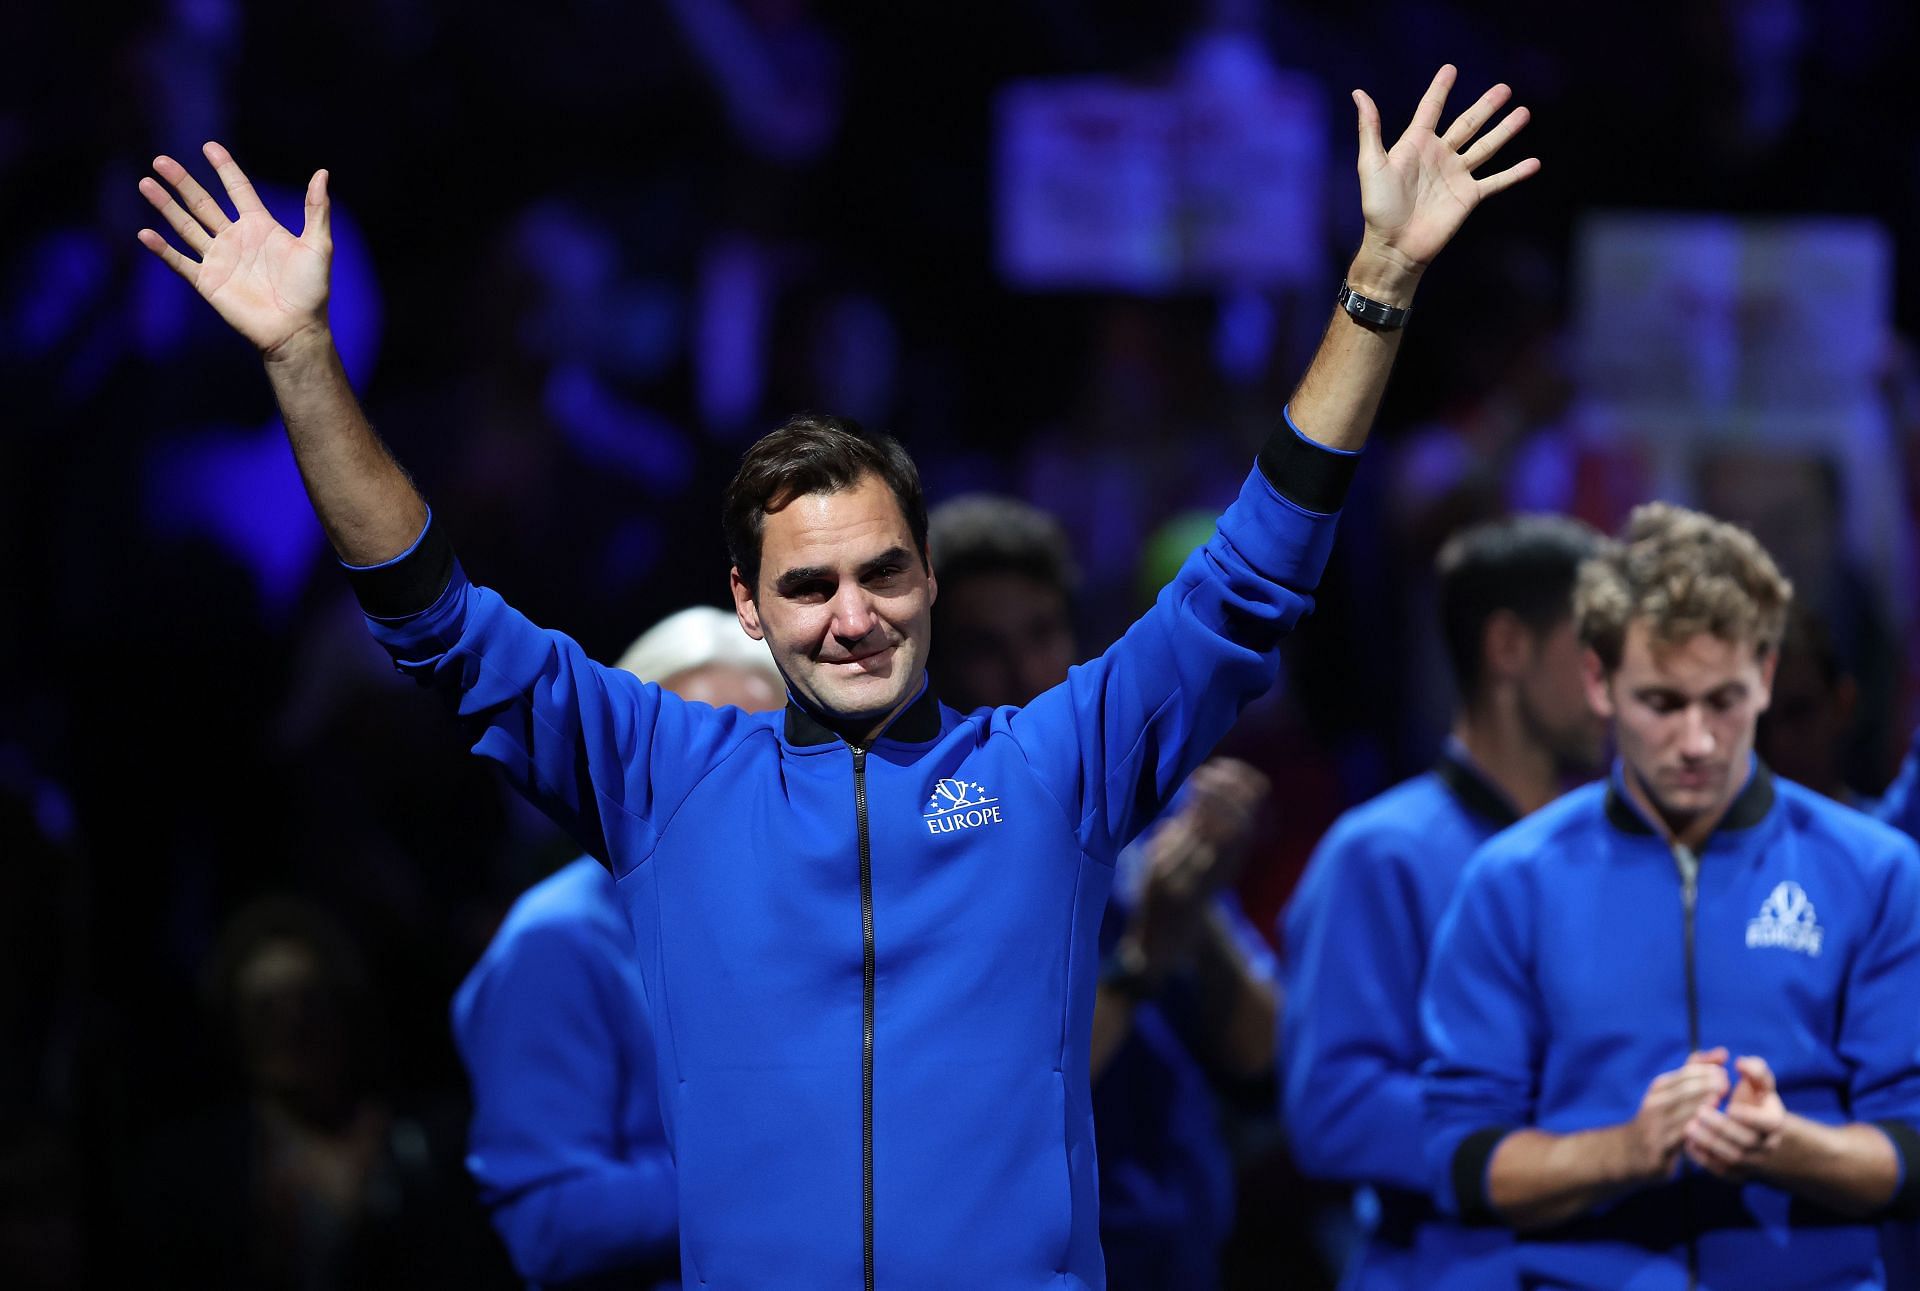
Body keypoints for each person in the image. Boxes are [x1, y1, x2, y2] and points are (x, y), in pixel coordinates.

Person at [136, 64, 1537, 1287]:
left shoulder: (1051, 764)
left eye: (883, 573)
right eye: (808, 584)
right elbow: (431, 618)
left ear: (928, 577)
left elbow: (1252, 578)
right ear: (747, 605)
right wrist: (304, 358)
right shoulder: (662, 772)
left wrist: (1382, 282)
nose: (854, 614)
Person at [1421, 503, 1920, 1290]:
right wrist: (1626, 1148)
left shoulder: (1878, 870)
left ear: (1762, 673)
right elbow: (1462, 1157)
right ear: (1599, 680)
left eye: (1723, 699)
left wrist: (1787, 1145)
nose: (1696, 741)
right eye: (1661, 702)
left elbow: (1911, 1146)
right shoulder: (1512, 879)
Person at [929, 494, 1278, 1289]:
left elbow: (1264, 1066)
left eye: (1044, 633)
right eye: (984, 647)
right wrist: (1143, 957)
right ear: (930, 667)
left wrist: (1195, 911)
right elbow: (997, 1104)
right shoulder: (929, 843)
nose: (1024, 673)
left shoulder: (1133, 805)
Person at [1280, 514, 1604, 1289]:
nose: (1614, 685)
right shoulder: (1380, 851)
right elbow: (1333, 1107)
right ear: (1508, 648)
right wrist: (1564, 1130)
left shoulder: (1606, 845)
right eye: (1592, 648)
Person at [451, 608, 784, 1290]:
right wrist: (783, 1177)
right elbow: (548, 1219)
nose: (728, 782)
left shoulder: (807, 911)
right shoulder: (558, 942)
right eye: (694, 750)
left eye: (763, 751)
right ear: (630, 763)